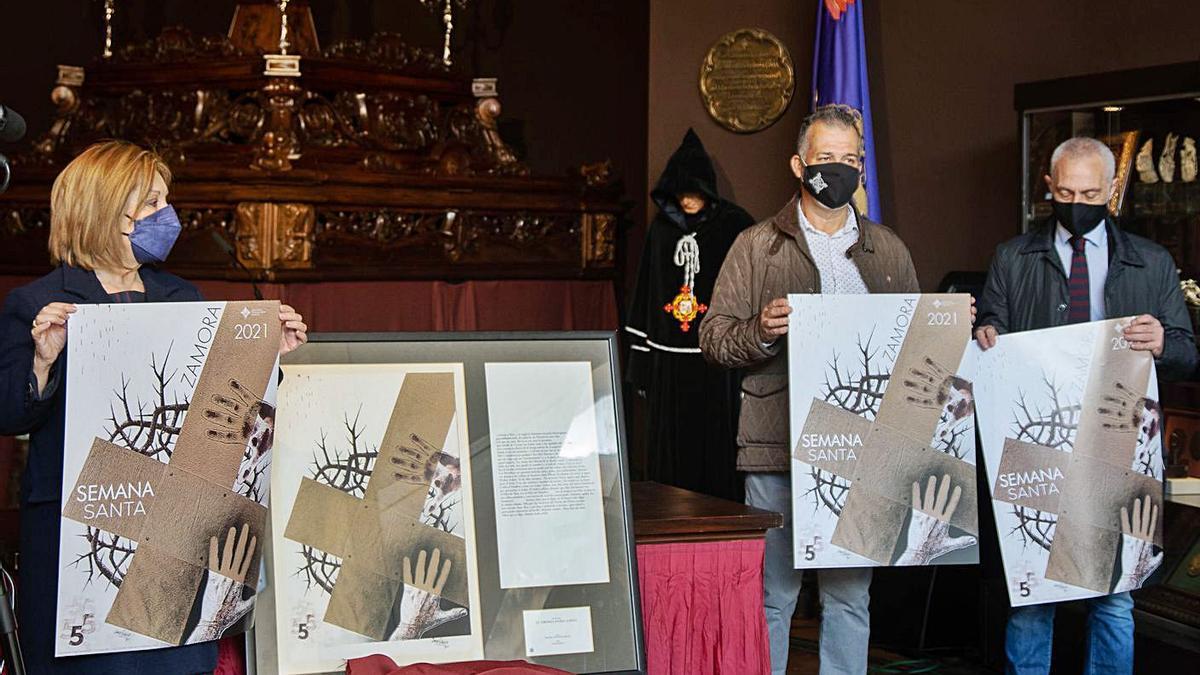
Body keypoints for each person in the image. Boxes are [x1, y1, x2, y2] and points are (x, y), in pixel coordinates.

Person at [0, 140, 309, 674]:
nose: (167, 216)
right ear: (103, 210)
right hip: (84, 539)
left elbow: (230, 411)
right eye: (150, 204)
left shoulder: (182, 297)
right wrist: (43, 362)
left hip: (177, 535)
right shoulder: (37, 304)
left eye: (166, 201)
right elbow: (9, 415)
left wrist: (268, 356)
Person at [700, 104, 922, 675]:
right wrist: (760, 331)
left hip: (862, 453)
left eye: (851, 160)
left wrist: (949, 326)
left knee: (850, 598)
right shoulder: (755, 246)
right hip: (776, 449)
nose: (840, 170)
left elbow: (916, 350)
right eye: (827, 159)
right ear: (799, 165)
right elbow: (714, 339)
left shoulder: (888, 250)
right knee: (774, 597)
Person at [975, 136, 1198, 675]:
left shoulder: (1151, 261)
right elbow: (992, 337)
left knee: (1114, 596)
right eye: (1068, 191)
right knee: (1033, 595)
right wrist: (984, 335)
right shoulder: (1012, 256)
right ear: (1049, 187)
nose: (1079, 202)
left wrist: (1162, 342)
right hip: (1035, 440)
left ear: (1112, 190)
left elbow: (1188, 355)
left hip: (1118, 441)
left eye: (1092, 192)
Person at [625, 128, 755, 501]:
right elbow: (647, 294)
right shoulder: (661, 232)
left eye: (696, 191)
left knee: (716, 454)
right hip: (669, 364)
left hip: (716, 363)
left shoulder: (735, 228)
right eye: (682, 192)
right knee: (672, 465)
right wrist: (642, 366)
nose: (688, 199)